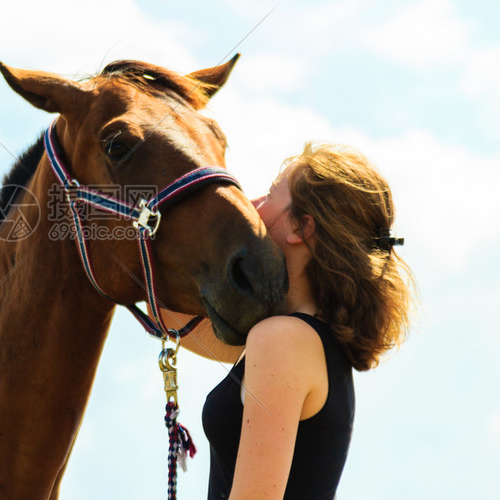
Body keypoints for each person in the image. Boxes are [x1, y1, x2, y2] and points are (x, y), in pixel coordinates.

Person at [161, 142, 416, 500]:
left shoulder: (282, 340)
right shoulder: (304, 340)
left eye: (269, 195)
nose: (251, 204)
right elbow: (167, 312)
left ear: (302, 226)